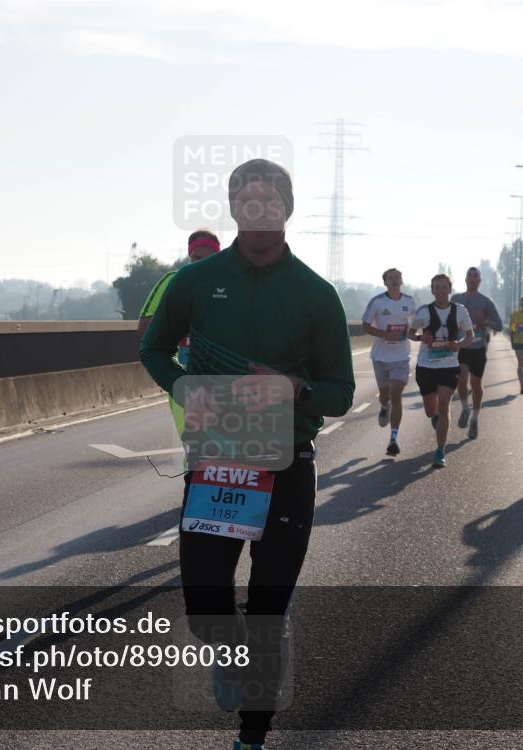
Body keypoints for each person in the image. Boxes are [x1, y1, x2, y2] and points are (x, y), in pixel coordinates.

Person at [140, 158, 354, 750]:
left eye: (270, 200)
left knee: (268, 610)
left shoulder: (315, 294)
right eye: (247, 200)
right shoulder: (195, 281)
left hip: (287, 461)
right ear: (233, 208)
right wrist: (186, 387)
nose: (259, 211)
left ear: (287, 208)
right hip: (217, 460)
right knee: (206, 605)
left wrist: (293, 388)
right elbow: (154, 348)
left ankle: (252, 737)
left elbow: (341, 393)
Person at [138, 230, 221, 435]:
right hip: (186, 378)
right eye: (196, 258)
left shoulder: (228, 285)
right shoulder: (174, 280)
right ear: (189, 257)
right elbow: (145, 329)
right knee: (194, 444)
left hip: (222, 382)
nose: (201, 264)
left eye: (208, 259)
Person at [409, 274, 474, 468]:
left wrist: (459, 345)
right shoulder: (424, 312)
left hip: (448, 366)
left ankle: (440, 451)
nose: (440, 290)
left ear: (449, 289)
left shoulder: (460, 311)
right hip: (426, 366)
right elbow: (410, 333)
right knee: (431, 411)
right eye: (436, 287)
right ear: (432, 290)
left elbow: (470, 336)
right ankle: (435, 418)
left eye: (443, 287)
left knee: (444, 406)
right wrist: (422, 339)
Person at [361, 268, 415, 456]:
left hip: (401, 357)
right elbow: (365, 325)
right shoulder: (377, 302)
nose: (394, 280)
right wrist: (385, 334)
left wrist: (417, 334)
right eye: (390, 278)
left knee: (397, 395)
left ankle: (393, 440)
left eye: (397, 277)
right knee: (385, 396)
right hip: (381, 357)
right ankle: (384, 406)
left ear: (401, 281)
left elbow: (416, 325)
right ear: (385, 282)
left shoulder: (409, 301)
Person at [450, 266, 503, 439]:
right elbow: (447, 319)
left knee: (476, 385)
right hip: (461, 347)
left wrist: (485, 321)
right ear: (465, 279)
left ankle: (475, 418)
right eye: (470, 276)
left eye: (476, 276)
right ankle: (465, 407)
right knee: (461, 379)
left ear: (479, 281)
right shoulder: (456, 299)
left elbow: (500, 325)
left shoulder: (486, 301)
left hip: (478, 347)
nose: (472, 279)